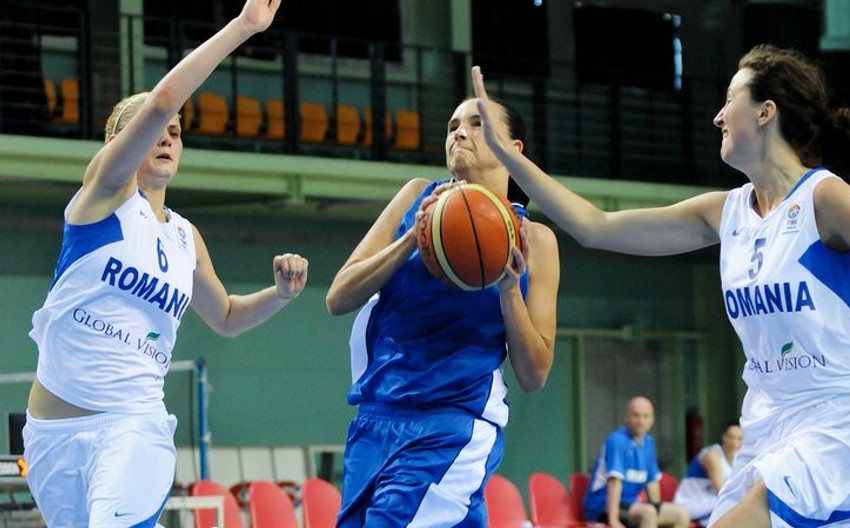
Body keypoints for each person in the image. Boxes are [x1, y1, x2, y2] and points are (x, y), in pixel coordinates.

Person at [472, 40, 850, 527]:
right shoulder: (726, 212)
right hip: (768, 425)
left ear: (765, 112)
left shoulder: (825, 199)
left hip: (841, 422)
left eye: (730, 100)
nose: (717, 116)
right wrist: (510, 160)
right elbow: (595, 226)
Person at [23, 2, 308, 527]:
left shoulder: (185, 237)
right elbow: (165, 98)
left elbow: (224, 317)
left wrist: (281, 296)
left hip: (134, 427)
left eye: (176, 132)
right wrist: (243, 26)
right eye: (155, 128)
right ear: (118, 144)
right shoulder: (102, 197)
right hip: (52, 438)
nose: (167, 136)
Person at [324, 94, 560, 526]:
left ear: (513, 150)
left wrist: (509, 290)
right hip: (376, 419)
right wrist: (413, 239)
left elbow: (534, 375)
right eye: (452, 126)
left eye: (476, 124)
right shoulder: (417, 195)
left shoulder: (535, 239)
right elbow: (338, 296)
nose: (459, 133)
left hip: (453, 424)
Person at [583, 396, 691, 528]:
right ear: (627, 417)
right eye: (636, 415)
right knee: (648, 514)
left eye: (646, 416)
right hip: (603, 506)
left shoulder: (649, 442)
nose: (641, 421)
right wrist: (613, 520)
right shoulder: (617, 440)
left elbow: (652, 482)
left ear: (652, 420)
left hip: (632, 505)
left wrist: (657, 507)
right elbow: (614, 482)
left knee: (681, 513)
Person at [674, 422, 744, 526]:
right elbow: (721, 491)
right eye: (731, 437)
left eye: (739, 439)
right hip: (692, 502)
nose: (734, 442)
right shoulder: (712, 455)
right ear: (723, 437)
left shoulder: (737, 457)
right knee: (734, 508)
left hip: (709, 501)